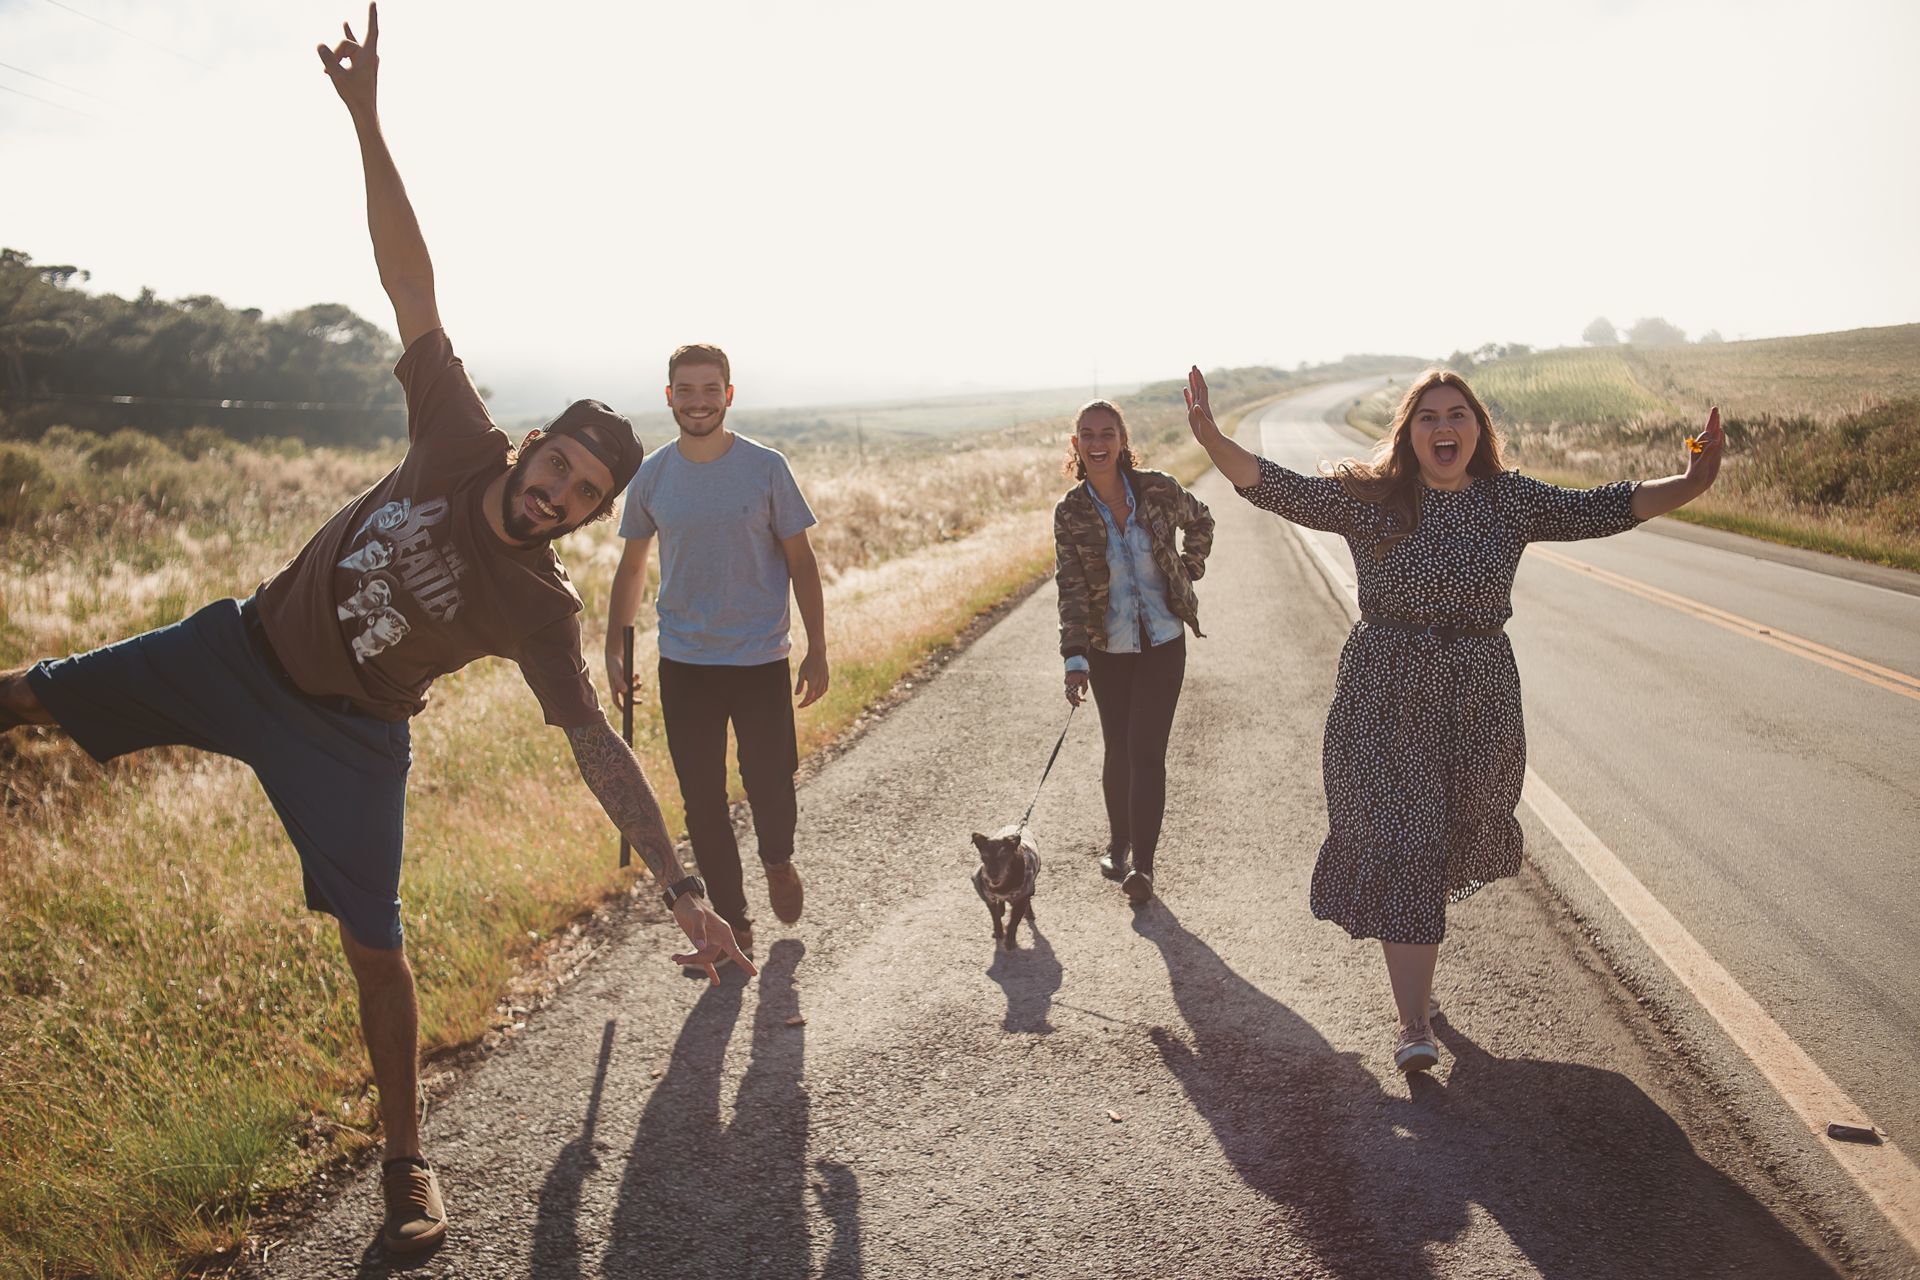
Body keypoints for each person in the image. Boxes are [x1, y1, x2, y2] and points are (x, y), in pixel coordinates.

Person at [0, 6, 752, 1256]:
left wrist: (679, 887)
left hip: (349, 741)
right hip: (235, 651)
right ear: (529, 448)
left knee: (379, 949)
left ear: (590, 515)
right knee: (32, 689)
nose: (553, 493)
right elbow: (410, 275)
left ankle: (407, 1166)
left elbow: (593, 751)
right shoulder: (458, 436)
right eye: (554, 464)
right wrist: (366, 118)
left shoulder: (542, 606)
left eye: (581, 495)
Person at [1182, 364, 1724, 1073]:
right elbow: (1274, 485)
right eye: (1429, 416)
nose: (1444, 427)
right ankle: (1413, 1022)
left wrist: (1691, 482)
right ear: (1409, 432)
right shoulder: (1370, 499)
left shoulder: (1510, 503)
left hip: (1480, 697)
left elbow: (1603, 507)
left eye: (1457, 415)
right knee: (1405, 841)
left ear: (1478, 431)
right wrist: (1211, 437)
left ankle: (1417, 982)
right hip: (1386, 692)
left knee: (1443, 840)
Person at [605, 344, 829, 959]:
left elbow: (800, 560)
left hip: (760, 659)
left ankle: (778, 859)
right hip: (685, 664)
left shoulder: (765, 468)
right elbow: (631, 569)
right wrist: (613, 648)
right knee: (701, 797)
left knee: (771, 783)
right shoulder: (653, 474)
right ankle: (733, 920)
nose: (698, 401)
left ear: (728, 395)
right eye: (687, 389)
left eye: (710, 389)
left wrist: (817, 648)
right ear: (669, 395)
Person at [1054, 399, 1215, 905]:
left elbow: (1202, 519)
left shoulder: (1158, 489)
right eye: (1087, 434)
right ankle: (1119, 843)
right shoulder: (1071, 512)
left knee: (1146, 751)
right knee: (1118, 748)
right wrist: (1074, 658)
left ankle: (1142, 866)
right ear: (1076, 444)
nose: (1097, 443)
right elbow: (1071, 586)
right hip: (1108, 649)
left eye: (1107, 433)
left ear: (1123, 440)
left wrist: (1189, 568)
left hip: (1164, 641)